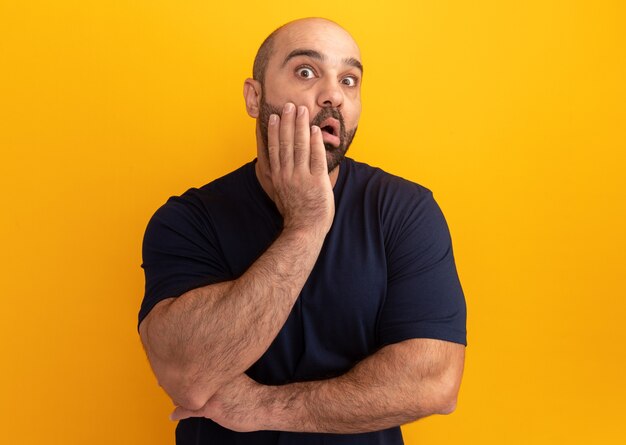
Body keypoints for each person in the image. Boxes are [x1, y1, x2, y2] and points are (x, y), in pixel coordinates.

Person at [138, 17, 467, 445]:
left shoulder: (404, 210)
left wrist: (262, 408)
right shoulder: (187, 220)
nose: (333, 94)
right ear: (254, 97)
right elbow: (187, 375)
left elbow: (435, 382)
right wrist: (305, 225)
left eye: (349, 80)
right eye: (306, 71)